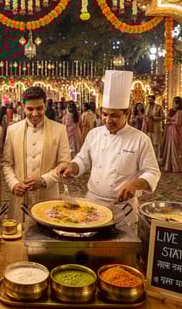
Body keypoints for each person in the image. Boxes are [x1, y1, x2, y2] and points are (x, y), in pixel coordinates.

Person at [57, 70, 161, 225]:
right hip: (91, 204)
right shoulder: (94, 134)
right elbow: (82, 160)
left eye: (114, 115)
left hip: (122, 209)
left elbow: (152, 172)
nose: (107, 120)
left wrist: (135, 184)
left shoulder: (140, 139)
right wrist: (72, 167)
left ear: (127, 114)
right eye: (105, 114)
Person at [2, 87, 71, 221]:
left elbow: (64, 163)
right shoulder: (12, 130)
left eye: (39, 108)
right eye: (30, 109)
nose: (34, 113)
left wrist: (44, 180)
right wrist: (14, 184)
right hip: (20, 197)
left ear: (45, 106)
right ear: (23, 107)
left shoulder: (59, 130)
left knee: (46, 236)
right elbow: (6, 163)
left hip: (48, 195)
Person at [161, 96, 182, 173]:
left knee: (175, 149)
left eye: (174, 103)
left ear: (178, 104)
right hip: (171, 133)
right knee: (170, 149)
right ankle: (170, 166)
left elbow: (178, 123)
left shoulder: (180, 112)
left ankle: (176, 167)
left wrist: (170, 121)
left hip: (176, 134)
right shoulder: (172, 111)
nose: (173, 104)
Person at [142, 95, 165, 161]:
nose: (149, 101)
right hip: (147, 128)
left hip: (155, 128)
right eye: (148, 100)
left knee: (155, 145)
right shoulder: (146, 107)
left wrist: (154, 118)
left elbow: (163, 117)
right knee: (148, 144)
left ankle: (155, 160)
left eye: (151, 100)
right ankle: (148, 160)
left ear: (154, 100)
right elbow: (144, 116)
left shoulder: (159, 107)